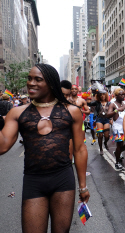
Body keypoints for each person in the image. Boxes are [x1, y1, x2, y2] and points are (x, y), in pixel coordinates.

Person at [0, 64, 89, 232]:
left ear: (51, 83)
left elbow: (79, 149)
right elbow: (2, 146)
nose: (31, 83)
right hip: (34, 181)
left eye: (38, 79)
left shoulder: (72, 111)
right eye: (29, 78)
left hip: (63, 180)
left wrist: (83, 186)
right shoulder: (17, 113)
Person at [107, 88, 125, 170]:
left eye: (124, 94)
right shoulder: (113, 104)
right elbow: (108, 115)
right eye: (121, 94)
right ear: (116, 96)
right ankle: (117, 162)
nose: (123, 96)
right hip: (118, 128)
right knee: (119, 145)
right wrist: (117, 110)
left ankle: (117, 152)